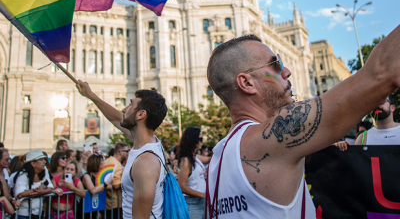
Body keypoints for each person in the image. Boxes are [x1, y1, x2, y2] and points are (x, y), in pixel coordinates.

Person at [205, 31, 400, 218]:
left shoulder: (218, 158)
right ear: (247, 83)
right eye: (276, 64)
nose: (287, 72)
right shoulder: (271, 140)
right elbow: (382, 73)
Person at [76, 81, 168, 219]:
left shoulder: (145, 162)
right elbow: (116, 117)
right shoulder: (149, 142)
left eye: (130, 104)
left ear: (141, 114)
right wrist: (91, 95)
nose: (124, 109)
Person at [14, 149, 61, 219]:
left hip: (38, 213)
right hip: (24, 214)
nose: (45, 162)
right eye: (41, 160)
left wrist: (43, 191)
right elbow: (20, 194)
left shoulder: (44, 170)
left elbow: (50, 187)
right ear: (33, 163)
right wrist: (40, 190)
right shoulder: (23, 175)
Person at [177, 127, 210, 219]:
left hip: (201, 202)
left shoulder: (194, 158)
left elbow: (210, 159)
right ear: (193, 140)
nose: (202, 142)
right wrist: (203, 195)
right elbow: (181, 186)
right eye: (200, 139)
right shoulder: (186, 160)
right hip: (193, 204)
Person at [104, 142, 130, 219]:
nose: (128, 153)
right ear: (121, 152)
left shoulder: (108, 160)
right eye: (127, 151)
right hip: (115, 203)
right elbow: (116, 185)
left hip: (107, 202)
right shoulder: (117, 164)